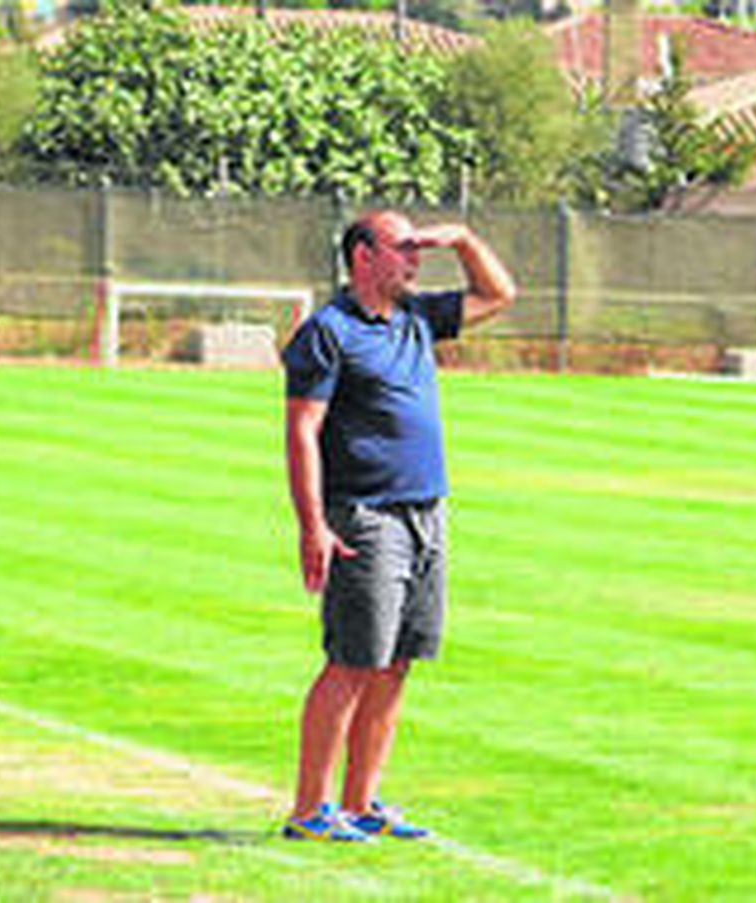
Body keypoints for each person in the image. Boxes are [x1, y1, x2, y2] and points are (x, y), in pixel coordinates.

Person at [278, 210, 515, 841]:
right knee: (352, 661)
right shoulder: (329, 331)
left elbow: (499, 294)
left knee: (397, 662)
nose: (414, 260)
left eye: (417, 249)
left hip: (426, 513)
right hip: (366, 516)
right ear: (363, 255)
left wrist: (462, 238)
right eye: (403, 248)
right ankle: (309, 811)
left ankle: (361, 804)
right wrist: (312, 524)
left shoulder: (416, 317)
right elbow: (302, 431)